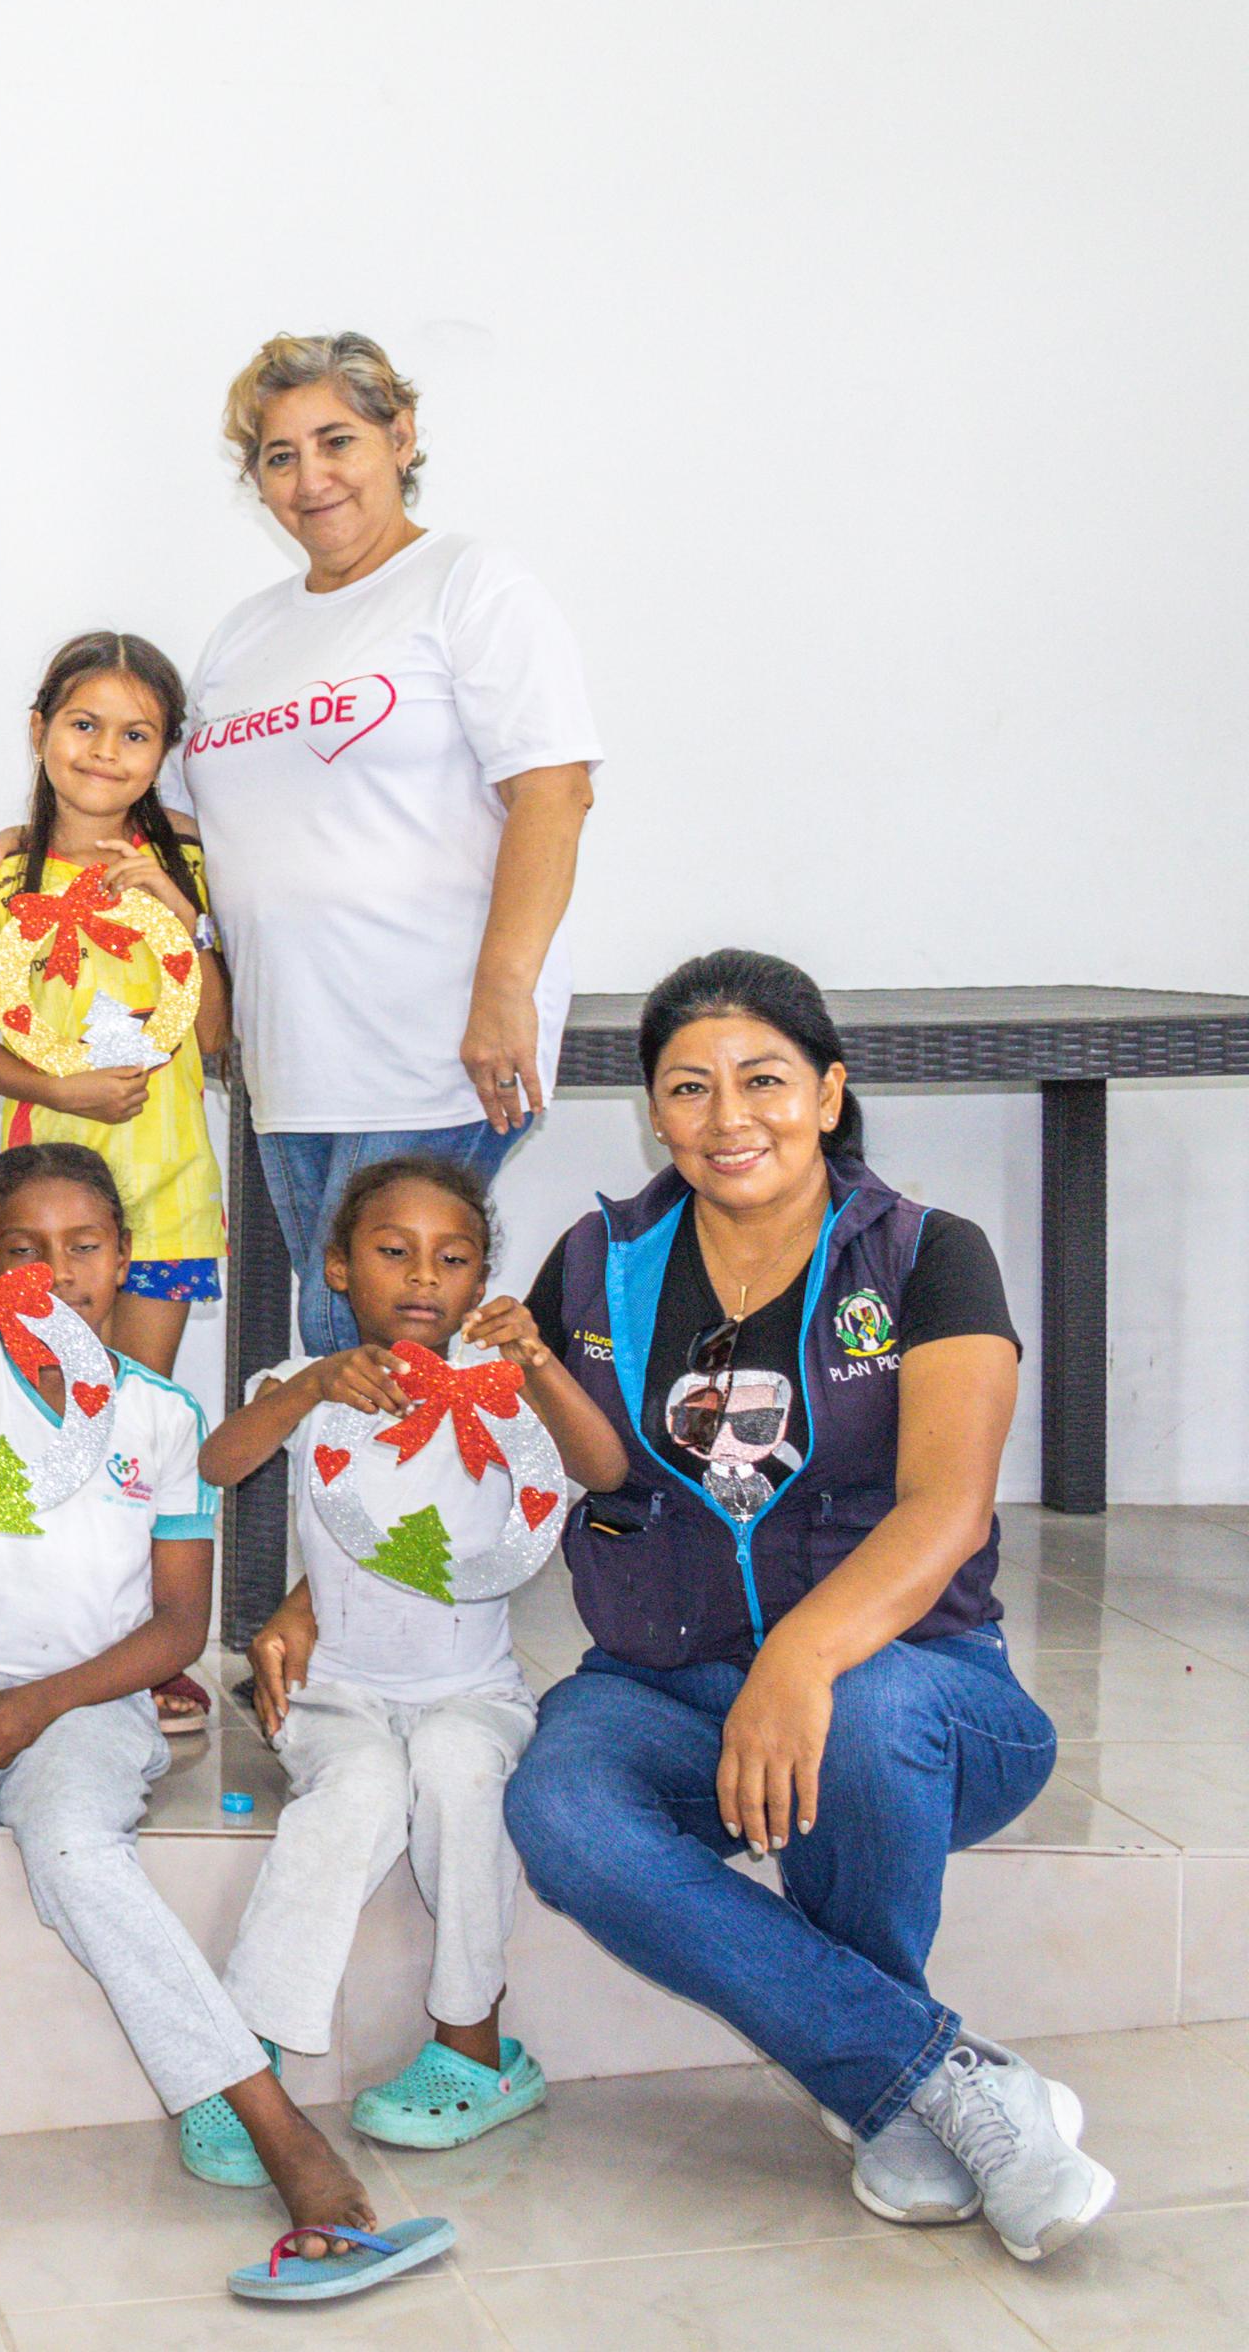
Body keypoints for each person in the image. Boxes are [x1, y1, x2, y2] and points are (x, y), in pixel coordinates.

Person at [503, 951, 1099, 2264]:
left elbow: (946, 1508)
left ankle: (883, 2074)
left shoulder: (929, 1254)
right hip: (664, 1683)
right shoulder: (598, 1264)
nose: (728, 1118)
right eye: (689, 1088)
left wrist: (800, 1660)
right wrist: (317, 1594)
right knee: (560, 1811)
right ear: (653, 1113)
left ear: (827, 1093)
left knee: (862, 1718)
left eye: (763, 1080)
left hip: (924, 1684)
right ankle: (929, 2081)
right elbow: (494, 1457)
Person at [0, 1147, 451, 2321]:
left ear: (121, 1259)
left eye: (83, 1247)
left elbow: (175, 1627)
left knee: (76, 1853)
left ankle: (274, 2128)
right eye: (24, 1250)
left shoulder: (160, 1415)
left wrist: (44, 1701)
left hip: (92, 1695)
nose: (58, 1271)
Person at [186, 1156, 624, 2185]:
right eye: (393, 1251)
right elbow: (218, 1462)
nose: (424, 1276)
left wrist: (539, 1367)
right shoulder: (309, 1385)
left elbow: (603, 1471)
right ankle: (244, 2060)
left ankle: (476, 2046)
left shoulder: (509, 1401)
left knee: (460, 1773)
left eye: (452, 1258)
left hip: (474, 1692)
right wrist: (306, 1386)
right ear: (338, 1268)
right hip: (336, 1693)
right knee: (356, 1794)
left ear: (480, 1282)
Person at [173, 331, 605, 1356]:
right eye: (279, 456)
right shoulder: (243, 634)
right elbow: (182, 826)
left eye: (337, 441)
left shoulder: (468, 583)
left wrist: (503, 989)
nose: (310, 478)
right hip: (291, 1058)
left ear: (399, 438)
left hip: (432, 1043)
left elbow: (553, 792)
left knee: (369, 1345)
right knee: (341, 1347)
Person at [0, 633, 230, 1373]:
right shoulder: (4, 878)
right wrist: (58, 1090)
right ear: (38, 729)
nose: (106, 751)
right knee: (48, 1400)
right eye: (84, 725)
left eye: (135, 735)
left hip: (169, 1192)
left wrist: (184, 918)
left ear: (163, 752)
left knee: (141, 1404)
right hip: (43, 1203)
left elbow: (213, 1037)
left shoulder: (189, 863)